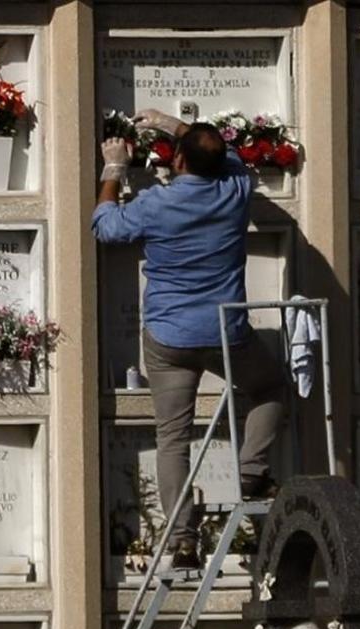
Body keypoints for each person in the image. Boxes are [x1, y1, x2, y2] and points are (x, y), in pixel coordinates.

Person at [91, 109, 285, 569]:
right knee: (270, 387)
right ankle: (251, 473)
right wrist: (178, 128)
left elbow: (104, 226)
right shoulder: (236, 188)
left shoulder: (157, 204)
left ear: (176, 161)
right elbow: (224, 154)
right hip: (224, 332)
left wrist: (114, 168)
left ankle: (182, 540)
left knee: (172, 438)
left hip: (168, 336)